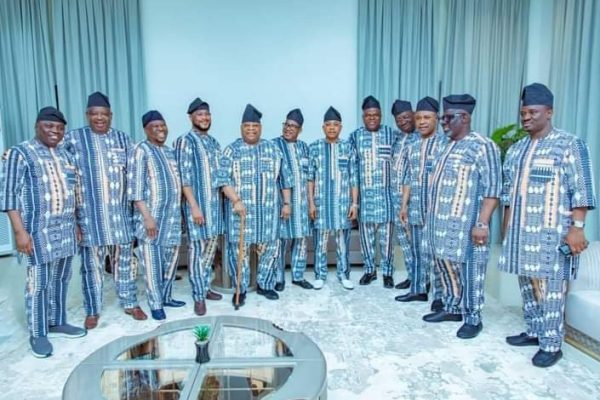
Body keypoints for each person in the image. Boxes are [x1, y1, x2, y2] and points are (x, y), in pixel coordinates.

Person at [499, 83, 596, 367]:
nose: (526, 117)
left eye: (533, 112)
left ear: (549, 112)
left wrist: (577, 227)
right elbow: (508, 193)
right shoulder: (516, 150)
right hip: (520, 233)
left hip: (552, 235)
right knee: (527, 284)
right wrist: (506, 228)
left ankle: (552, 343)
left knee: (551, 287)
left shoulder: (570, 144)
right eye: (523, 112)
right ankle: (533, 330)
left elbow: (582, 189)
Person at [1, 107, 86, 358]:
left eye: (60, 129)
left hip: (66, 228)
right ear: (38, 126)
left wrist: (78, 224)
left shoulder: (65, 154)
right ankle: (38, 332)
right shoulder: (20, 153)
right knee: (38, 283)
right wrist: (19, 232)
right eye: (49, 127)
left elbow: (74, 192)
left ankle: (57, 321)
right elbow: (8, 196)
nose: (55, 132)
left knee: (61, 278)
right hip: (36, 230)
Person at [65, 92, 146, 329]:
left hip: (120, 216)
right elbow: (52, 159)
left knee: (125, 262)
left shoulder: (123, 139)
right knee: (92, 266)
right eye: (95, 114)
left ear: (111, 116)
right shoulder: (73, 139)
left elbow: (135, 173)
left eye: (104, 114)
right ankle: (93, 310)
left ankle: (130, 302)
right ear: (87, 115)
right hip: (90, 218)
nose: (100, 118)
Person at [424, 94, 501, 339]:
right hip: (440, 223)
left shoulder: (483, 145)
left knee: (470, 269)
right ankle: (452, 307)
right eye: (442, 117)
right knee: (445, 266)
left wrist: (482, 223)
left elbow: (493, 188)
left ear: (464, 117)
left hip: (467, 225)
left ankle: (472, 318)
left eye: (447, 118)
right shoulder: (446, 145)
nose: (443, 122)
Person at [216, 104, 293, 306]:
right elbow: (223, 180)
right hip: (241, 213)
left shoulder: (272, 149)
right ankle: (239, 289)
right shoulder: (231, 150)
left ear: (261, 127)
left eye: (255, 126)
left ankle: (265, 285)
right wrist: (236, 200)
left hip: (269, 212)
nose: (251, 129)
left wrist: (286, 203)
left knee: (270, 249)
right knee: (239, 252)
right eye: (247, 126)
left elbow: (284, 179)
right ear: (241, 127)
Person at [128, 111, 182, 321]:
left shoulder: (169, 152)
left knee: (170, 261)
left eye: (163, 126)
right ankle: (156, 303)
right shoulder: (140, 151)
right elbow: (135, 188)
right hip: (151, 218)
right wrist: (147, 217)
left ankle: (167, 296)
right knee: (152, 263)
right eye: (155, 127)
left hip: (172, 218)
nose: (161, 130)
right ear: (146, 130)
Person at [174, 98, 223, 316]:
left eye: (207, 114)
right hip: (198, 208)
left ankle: (205, 287)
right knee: (197, 251)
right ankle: (198, 296)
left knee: (210, 251)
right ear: (191, 117)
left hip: (215, 208)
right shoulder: (184, 141)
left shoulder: (213, 142)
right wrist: (193, 207)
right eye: (200, 115)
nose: (204, 118)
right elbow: (184, 179)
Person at [397, 97, 448, 306]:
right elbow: (408, 177)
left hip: (436, 209)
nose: (422, 122)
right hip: (416, 206)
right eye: (418, 118)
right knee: (417, 251)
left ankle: (439, 296)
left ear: (436, 118)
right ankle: (418, 289)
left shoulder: (446, 143)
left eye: (427, 117)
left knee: (436, 254)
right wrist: (403, 206)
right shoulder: (412, 144)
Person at [308, 107, 359, 290]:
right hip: (321, 205)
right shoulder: (314, 147)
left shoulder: (348, 147)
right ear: (323, 127)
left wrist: (354, 203)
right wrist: (311, 203)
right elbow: (310, 178)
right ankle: (319, 275)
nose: (331, 128)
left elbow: (354, 177)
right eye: (328, 125)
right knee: (320, 244)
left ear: (341, 127)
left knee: (342, 244)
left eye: (335, 125)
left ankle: (344, 275)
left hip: (342, 204)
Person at [350, 96, 397, 288]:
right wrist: (354, 202)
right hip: (366, 200)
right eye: (368, 115)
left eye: (375, 115)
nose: (372, 118)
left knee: (386, 241)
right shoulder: (355, 136)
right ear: (363, 117)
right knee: (366, 240)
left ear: (381, 116)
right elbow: (352, 169)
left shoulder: (392, 134)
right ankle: (370, 271)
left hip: (387, 199)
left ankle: (387, 272)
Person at [272, 108, 313, 291]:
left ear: (300, 130)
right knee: (280, 242)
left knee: (301, 240)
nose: (289, 129)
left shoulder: (305, 148)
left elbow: (311, 176)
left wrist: (312, 202)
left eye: (293, 126)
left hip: (302, 204)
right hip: (282, 203)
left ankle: (298, 275)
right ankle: (278, 277)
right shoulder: (273, 145)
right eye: (287, 125)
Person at [390, 100, 419, 291]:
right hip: (395, 198)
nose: (403, 122)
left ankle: (422, 279)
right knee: (405, 242)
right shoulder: (397, 139)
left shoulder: (421, 138)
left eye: (406, 117)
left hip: (413, 199)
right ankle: (412, 275)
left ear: (414, 114)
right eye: (399, 119)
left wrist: (406, 203)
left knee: (416, 240)